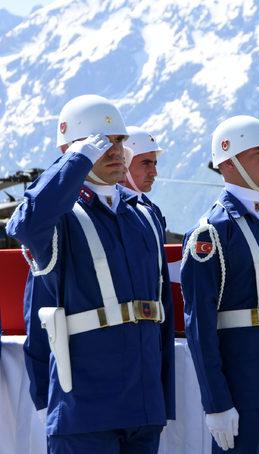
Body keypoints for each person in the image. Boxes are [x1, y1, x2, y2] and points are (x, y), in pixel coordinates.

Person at [8, 94, 175, 453]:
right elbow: (24, 226)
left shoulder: (143, 216)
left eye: (117, 140)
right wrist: (76, 161)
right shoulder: (60, 217)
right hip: (85, 407)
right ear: (72, 151)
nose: (114, 150)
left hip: (143, 405)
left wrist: (163, 400)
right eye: (100, 142)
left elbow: (160, 311)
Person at [181, 115, 259, 453]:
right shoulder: (212, 232)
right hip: (243, 390)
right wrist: (216, 401)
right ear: (229, 163)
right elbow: (199, 326)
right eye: (258, 153)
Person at [122, 126, 167, 231]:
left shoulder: (153, 210)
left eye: (154, 164)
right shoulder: (113, 210)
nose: (154, 173)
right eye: (145, 163)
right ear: (124, 162)